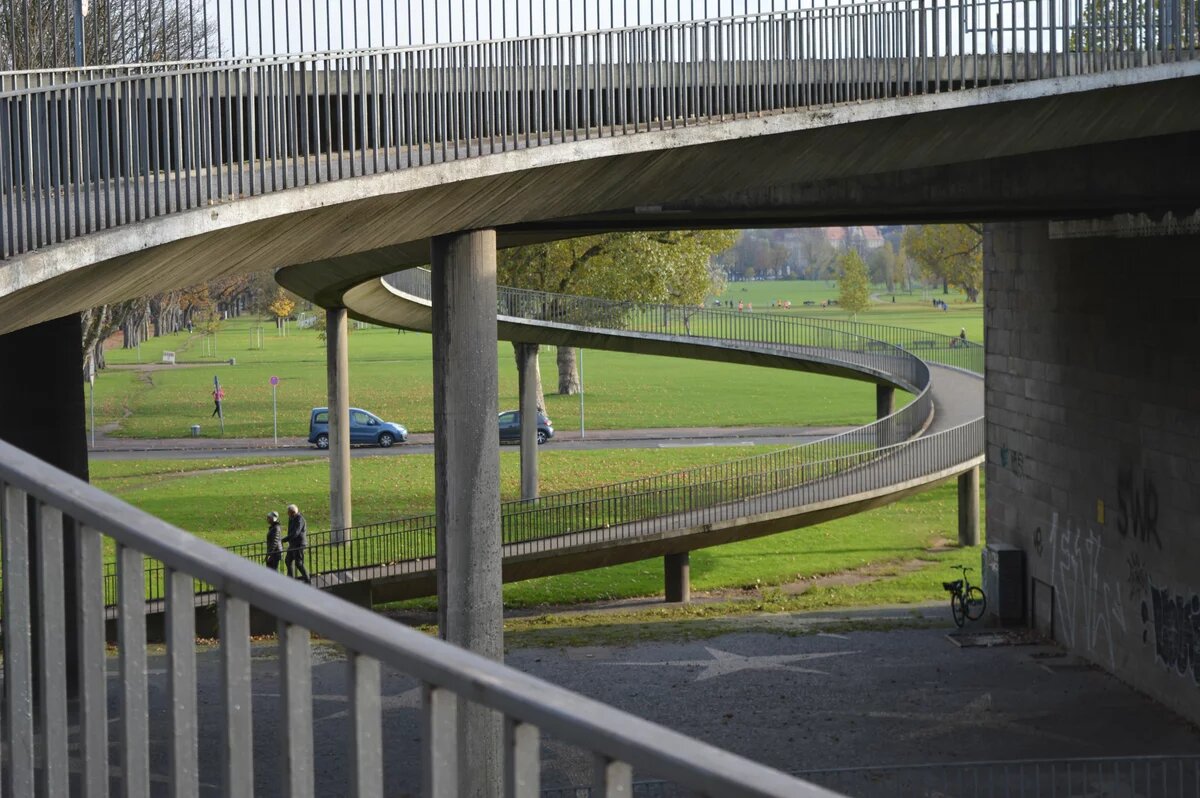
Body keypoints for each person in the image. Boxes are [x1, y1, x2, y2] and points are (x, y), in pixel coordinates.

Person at [283, 504, 310, 583]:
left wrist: (285, 539)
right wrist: (288, 539)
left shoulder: (299, 519)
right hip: (293, 544)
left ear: (293, 512)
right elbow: (290, 532)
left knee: (299, 563)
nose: (287, 514)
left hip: (299, 544)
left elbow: (296, 533)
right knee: (288, 560)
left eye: (288, 512)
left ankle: (307, 580)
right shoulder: (291, 518)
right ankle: (290, 578)